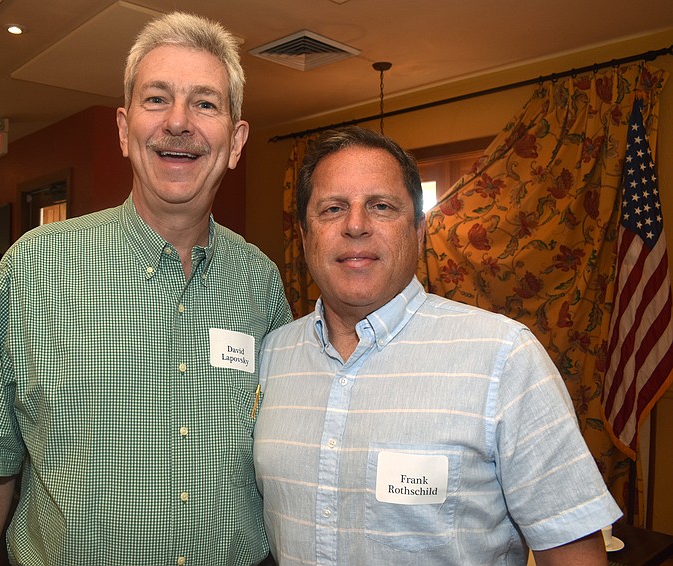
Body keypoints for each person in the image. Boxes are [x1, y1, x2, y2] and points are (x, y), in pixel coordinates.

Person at [0, 11, 292, 566]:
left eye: (205, 102)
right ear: (124, 131)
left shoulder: (261, 282)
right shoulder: (37, 267)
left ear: (236, 139)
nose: (179, 122)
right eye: (156, 99)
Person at [253, 126, 622, 566]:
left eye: (381, 206)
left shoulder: (504, 358)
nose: (355, 225)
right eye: (333, 209)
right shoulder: (272, 356)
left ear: (418, 228)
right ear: (304, 233)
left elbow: (573, 552)